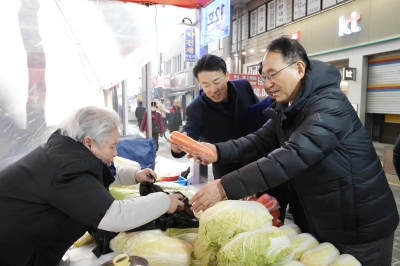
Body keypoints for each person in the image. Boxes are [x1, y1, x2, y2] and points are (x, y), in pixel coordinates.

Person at [184, 36, 399, 265]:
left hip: (359, 226)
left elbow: (291, 156)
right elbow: (259, 140)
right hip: (322, 220)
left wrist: (223, 186)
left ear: (298, 68)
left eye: (273, 74)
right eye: (264, 76)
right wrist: (216, 151)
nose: (267, 84)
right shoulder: (288, 105)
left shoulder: (328, 104)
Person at [0, 106, 184, 266]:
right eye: (111, 147)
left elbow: (91, 178)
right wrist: (165, 202)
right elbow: (115, 216)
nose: (115, 152)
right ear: (88, 142)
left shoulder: (67, 151)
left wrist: (134, 175)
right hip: (14, 252)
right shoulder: (66, 170)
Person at [169, 54, 259, 179]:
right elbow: (190, 130)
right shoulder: (196, 108)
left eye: (216, 82)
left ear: (227, 75)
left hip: (259, 165)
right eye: (206, 85)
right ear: (199, 83)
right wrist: (178, 146)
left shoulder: (244, 87)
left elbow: (260, 113)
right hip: (228, 175)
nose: (212, 90)